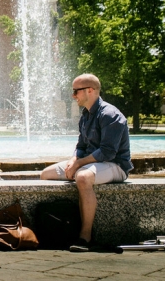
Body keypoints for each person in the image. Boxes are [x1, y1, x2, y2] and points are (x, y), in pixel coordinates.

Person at [40, 73, 132, 252]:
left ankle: (85, 237)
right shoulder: (86, 115)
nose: (73, 96)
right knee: (45, 174)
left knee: (82, 178)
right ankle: (63, 223)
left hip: (115, 165)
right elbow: (81, 145)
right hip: (89, 163)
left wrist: (78, 164)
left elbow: (108, 152)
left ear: (90, 91)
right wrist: (74, 159)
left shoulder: (110, 115)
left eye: (76, 92)